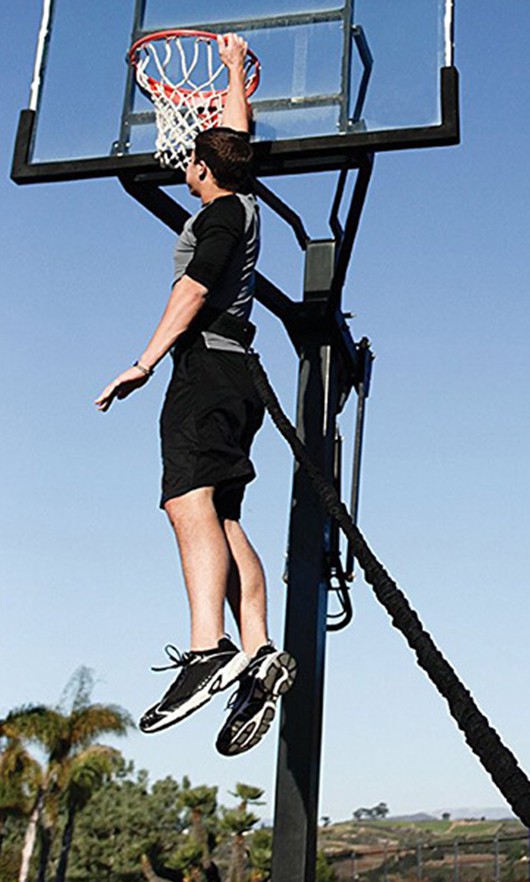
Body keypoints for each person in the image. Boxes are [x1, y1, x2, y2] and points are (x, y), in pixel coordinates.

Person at [95, 33, 295, 758]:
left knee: (185, 501)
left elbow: (193, 288)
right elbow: (232, 138)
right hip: (235, 374)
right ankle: (260, 648)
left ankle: (207, 647)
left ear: (203, 169)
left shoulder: (217, 216)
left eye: (191, 157)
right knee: (222, 515)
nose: (183, 160)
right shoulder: (241, 198)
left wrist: (143, 362)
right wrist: (235, 70)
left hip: (205, 371)